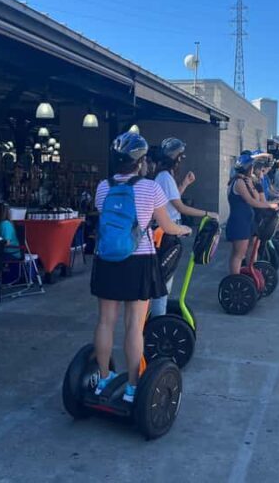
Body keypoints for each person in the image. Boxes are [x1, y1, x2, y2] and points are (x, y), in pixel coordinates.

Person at [90, 132, 191, 403]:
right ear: (140, 161)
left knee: (105, 322)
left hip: (107, 259)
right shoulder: (150, 188)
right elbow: (167, 226)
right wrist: (184, 228)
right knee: (134, 326)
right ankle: (134, 387)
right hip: (139, 260)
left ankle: (103, 379)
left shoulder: (103, 187)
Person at [150, 137, 218, 318]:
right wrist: (207, 213)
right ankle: (157, 321)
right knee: (163, 283)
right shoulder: (164, 176)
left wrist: (185, 184)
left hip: (167, 232)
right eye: (181, 156)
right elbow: (179, 207)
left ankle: (157, 318)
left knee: (165, 281)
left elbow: (173, 202)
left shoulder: (166, 176)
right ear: (177, 158)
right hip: (165, 234)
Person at [226, 154, 279, 275]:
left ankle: (246, 275)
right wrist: (270, 205)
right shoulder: (238, 182)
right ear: (248, 168)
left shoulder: (243, 181)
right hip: (239, 222)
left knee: (243, 251)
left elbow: (255, 198)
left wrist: (251, 186)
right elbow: (252, 202)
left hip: (244, 221)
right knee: (238, 254)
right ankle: (235, 279)